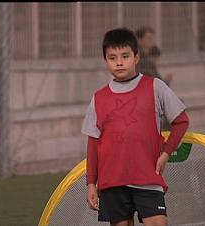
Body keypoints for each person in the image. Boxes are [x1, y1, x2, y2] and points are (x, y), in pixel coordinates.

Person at [81, 28, 190, 226]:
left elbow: (181, 121)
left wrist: (165, 153)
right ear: (106, 60)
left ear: (137, 57)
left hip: (147, 176)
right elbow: (93, 143)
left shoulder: (155, 86)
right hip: (112, 181)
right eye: (112, 57)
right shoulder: (98, 98)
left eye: (125, 56)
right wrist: (91, 183)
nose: (119, 62)